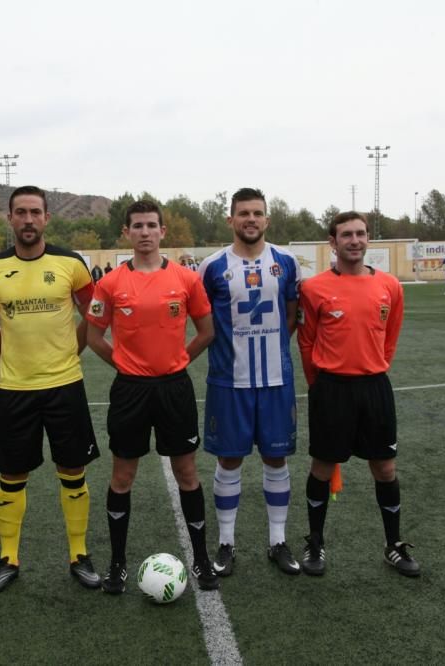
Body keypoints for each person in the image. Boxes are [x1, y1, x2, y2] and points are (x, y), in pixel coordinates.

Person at [86, 199, 219, 594]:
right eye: (137, 226)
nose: (145, 232)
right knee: (122, 476)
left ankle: (200, 559)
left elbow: (207, 331)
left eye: (151, 226)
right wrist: (126, 367)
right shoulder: (109, 284)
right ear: (125, 233)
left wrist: (179, 361)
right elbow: (93, 336)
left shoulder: (186, 279)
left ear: (163, 231)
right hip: (130, 391)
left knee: (187, 473)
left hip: (175, 388)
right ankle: (116, 564)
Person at [0, 185, 101, 594]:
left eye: (35, 212)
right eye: (20, 212)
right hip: (15, 388)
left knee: (73, 470)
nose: (28, 220)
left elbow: (94, 314)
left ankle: (78, 554)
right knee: (12, 473)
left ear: (47, 218)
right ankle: (8, 557)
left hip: (65, 384)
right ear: (9, 218)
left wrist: (73, 350)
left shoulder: (72, 263)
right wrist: (11, 357)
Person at [297, 211, 419, 578]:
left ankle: (393, 545)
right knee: (322, 466)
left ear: (368, 239)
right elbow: (307, 342)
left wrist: (376, 365)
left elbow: (391, 334)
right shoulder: (314, 288)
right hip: (331, 388)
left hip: (374, 387)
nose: (355, 240)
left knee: (384, 467)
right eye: (346, 235)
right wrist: (318, 385)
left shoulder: (390, 286)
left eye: (360, 234)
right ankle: (315, 542)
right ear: (332, 243)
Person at [198, 187, 302, 577]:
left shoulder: (287, 262)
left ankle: (278, 540)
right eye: (243, 213)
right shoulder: (211, 267)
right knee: (230, 459)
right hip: (229, 381)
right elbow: (203, 319)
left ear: (267, 219)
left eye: (257, 213)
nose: (251, 220)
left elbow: (291, 315)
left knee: (277, 457)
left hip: (276, 379)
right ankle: (226, 543)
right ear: (231, 219)